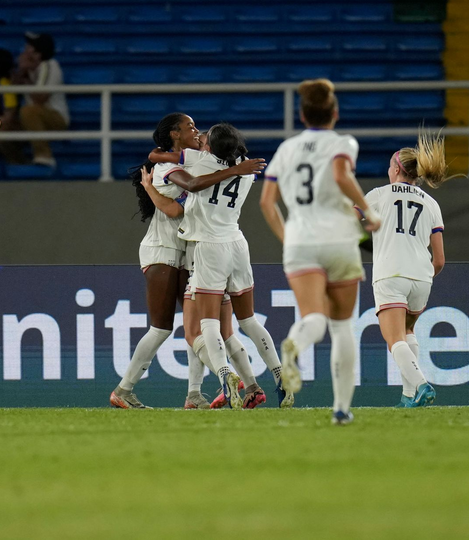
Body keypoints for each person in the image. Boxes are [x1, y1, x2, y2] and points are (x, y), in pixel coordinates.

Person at [109, 113, 265, 409]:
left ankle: (194, 394)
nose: (196, 131)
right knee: (163, 327)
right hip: (163, 250)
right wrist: (152, 191)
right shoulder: (167, 167)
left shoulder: (191, 161)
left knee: (199, 327)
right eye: (189, 127)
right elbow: (177, 210)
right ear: (174, 135)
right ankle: (124, 389)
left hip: (192, 252)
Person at [260, 79, 380, 425]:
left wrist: (289, 239)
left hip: (300, 240)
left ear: (301, 114)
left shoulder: (286, 149)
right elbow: (341, 175)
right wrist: (368, 212)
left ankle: (295, 344)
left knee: (313, 316)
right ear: (335, 113)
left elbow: (267, 203)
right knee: (342, 327)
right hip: (339, 238)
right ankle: (341, 410)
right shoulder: (343, 143)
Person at [161, 123, 287, 409]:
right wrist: (233, 167)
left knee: (209, 324)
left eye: (203, 137)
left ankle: (224, 375)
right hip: (237, 244)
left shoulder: (200, 162)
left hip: (209, 247)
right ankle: (280, 373)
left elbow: (165, 160)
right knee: (249, 320)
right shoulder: (246, 166)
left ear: (209, 147)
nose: (199, 139)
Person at [362, 133, 458, 407]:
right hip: (422, 277)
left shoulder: (379, 195)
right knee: (407, 334)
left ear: (395, 169)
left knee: (394, 340)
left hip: (390, 274)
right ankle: (407, 397)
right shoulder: (431, 203)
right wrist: (423, 275)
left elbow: (349, 219)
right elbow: (439, 259)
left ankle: (421, 385)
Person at [13, 32, 69, 168]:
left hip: (55, 118)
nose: (25, 49)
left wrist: (27, 76)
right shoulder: (30, 68)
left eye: (29, 46)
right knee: (1, 127)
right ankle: (17, 164)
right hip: (30, 119)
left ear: (38, 53)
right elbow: (12, 87)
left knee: (28, 111)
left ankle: (44, 156)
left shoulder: (50, 66)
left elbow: (40, 99)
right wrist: (21, 71)